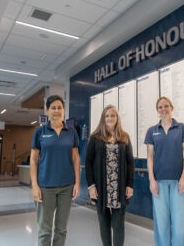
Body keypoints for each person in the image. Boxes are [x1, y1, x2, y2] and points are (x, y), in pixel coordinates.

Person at [30, 95, 80, 246]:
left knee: (61, 229)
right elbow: (33, 159)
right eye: (53, 108)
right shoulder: (40, 132)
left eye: (59, 107)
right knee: (45, 230)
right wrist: (34, 185)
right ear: (47, 110)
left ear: (64, 110)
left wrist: (77, 183)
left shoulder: (71, 132)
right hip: (45, 186)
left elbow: (76, 158)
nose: (56, 111)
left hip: (67, 186)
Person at [144, 96, 184, 246]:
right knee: (161, 222)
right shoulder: (152, 131)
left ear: (172, 107)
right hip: (159, 182)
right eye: (160, 107)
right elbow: (150, 157)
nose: (163, 109)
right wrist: (151, 180)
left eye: (166, 106)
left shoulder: (182, 128)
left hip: (179, 182)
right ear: (157, 110)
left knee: (179, 223)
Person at [85, 104, 135, 246]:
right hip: (101, 188)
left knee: (118, 225)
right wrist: (91, 186)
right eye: (107, 115)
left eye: (112, 115)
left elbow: (130, 162)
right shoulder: (95, 138)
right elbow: (88, 162)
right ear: (103, 118)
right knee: (103, 223)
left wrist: (130, 184)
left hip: (119, 188)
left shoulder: (124, 137)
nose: (110, 118)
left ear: (117, 118)